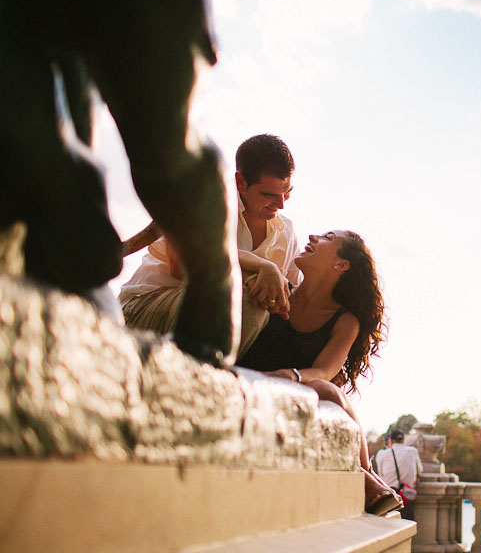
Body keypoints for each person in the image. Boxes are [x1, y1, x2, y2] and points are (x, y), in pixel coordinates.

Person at [237, 230, 401, 516]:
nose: (312, 236)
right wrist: (266, 266)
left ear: (342, 264)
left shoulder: (345, 321)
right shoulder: (277, 287)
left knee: (326, 389)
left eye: (326, 237)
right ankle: (370, 481)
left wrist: (292, 377)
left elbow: (325, 370)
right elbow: (223, 254)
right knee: (327, 391)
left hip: (291, 399)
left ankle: (366, 474)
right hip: (248, 388)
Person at [119, 134, 301, 354]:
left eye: (287, 193)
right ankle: (206, 378)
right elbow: (180, 268)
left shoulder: (286, 233)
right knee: (245, 299)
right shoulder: (207, 200)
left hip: (211, 325)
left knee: (264, 312)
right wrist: (260, 267)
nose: (281, 204)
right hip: (144, 306)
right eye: (269, 194)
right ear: (240, 182)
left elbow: (295, 299)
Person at [373, 429, 423, 521]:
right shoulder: (412, 451)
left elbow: (380, 475)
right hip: (408, 493)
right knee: (408, 521)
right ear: (403, 441)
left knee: (391, 522)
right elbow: (420, 470)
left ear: (390, 441)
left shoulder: (381, 454)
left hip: (391, 493)